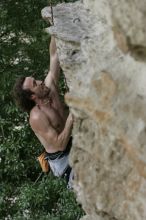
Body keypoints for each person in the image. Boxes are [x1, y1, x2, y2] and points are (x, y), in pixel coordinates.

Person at [13, 33, 74, 186]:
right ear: (33, 97)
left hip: (74, 142)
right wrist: (73, 114)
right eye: (35, 84)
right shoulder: (36, 117)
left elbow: (54, 55)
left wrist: (55, 29)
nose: (40, 81)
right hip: (65, 161)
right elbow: (59, 144)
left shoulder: (49, 87)